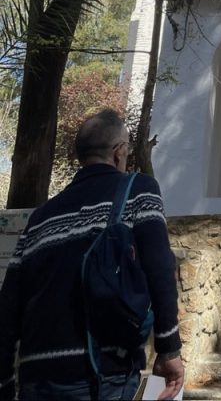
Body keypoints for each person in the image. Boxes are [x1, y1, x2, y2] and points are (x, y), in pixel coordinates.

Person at [0, 109, 184, 401]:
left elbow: (9, 304)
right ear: (119, 152)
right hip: (102, 374)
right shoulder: (138, 190)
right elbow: (159, 268)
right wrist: (169, 348)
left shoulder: (41, 217)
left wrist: (5, 382)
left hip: (37, 379)